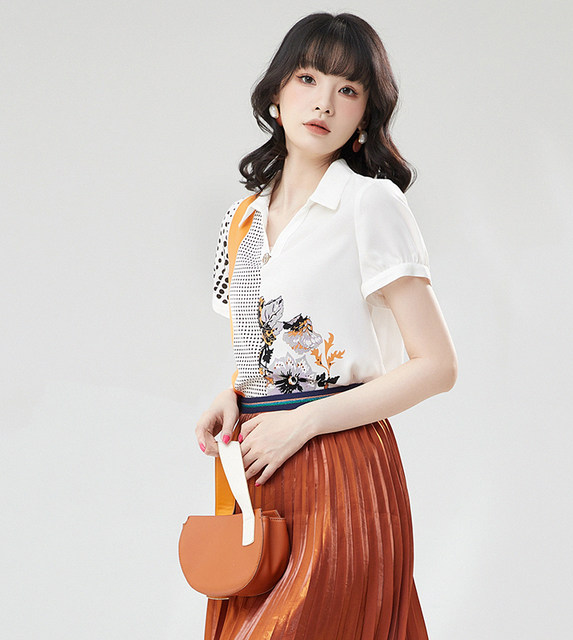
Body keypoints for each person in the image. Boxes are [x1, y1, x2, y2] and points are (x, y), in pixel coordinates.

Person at [195, 11, 457, 640]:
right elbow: (267, 347)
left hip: (341, 467)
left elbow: (437, 366)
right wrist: (232, 392)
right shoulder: (241, 220)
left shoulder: (370, 203)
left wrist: (305, 422)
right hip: (259, 467)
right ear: (276, 94)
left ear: (364, 115)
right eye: (308, 79)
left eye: (348, 89)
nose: (324, 103)